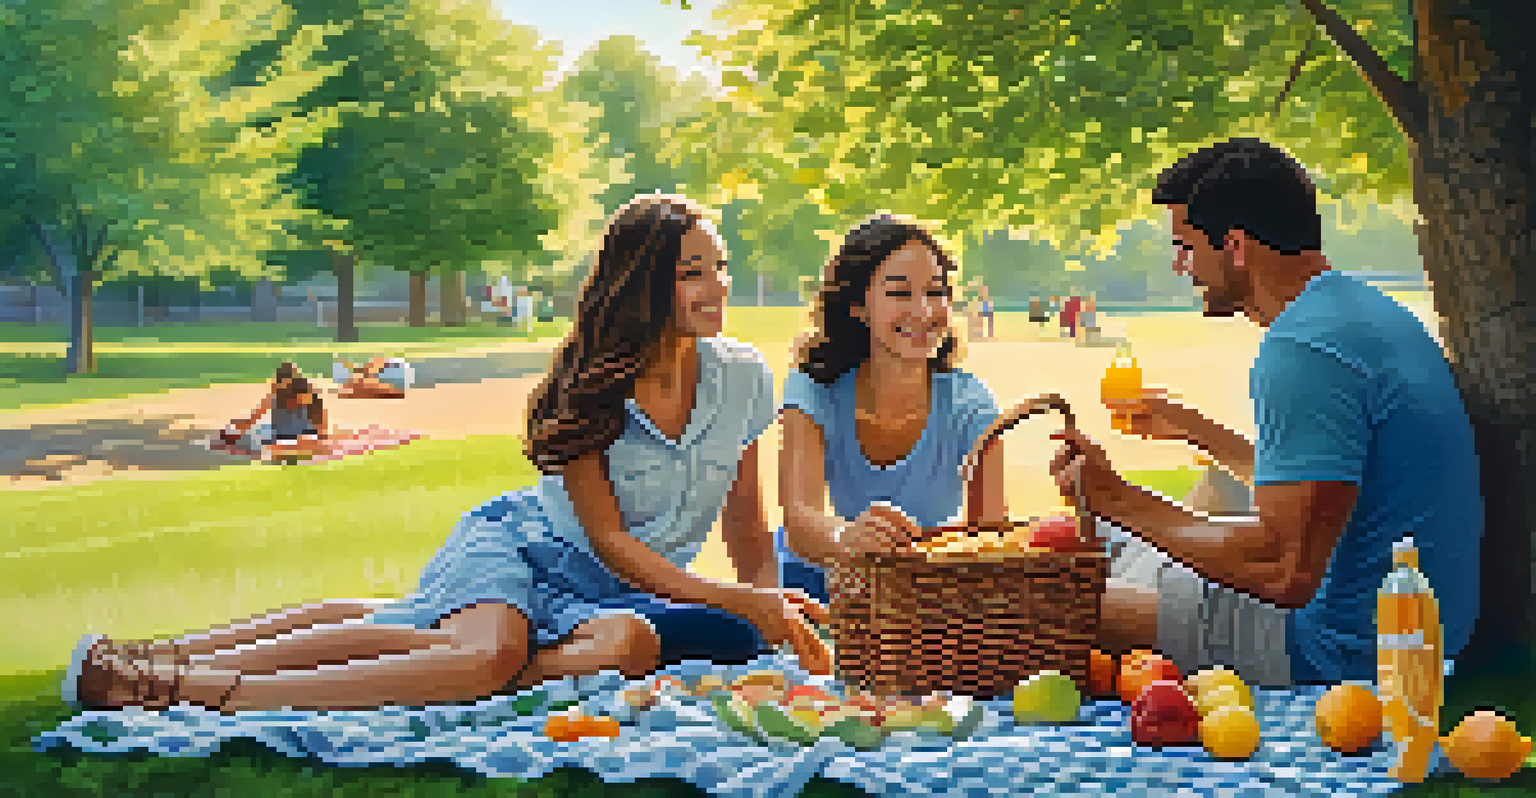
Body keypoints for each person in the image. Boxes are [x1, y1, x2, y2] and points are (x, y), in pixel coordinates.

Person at [63, 195, 832, 713]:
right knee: (486, 653)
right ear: (640, 284)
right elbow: (611, 542)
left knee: (486, 635)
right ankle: (187, 686)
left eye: (719, 267)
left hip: (610, 600)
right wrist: (737, 602)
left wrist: (771, 618)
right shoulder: (586, 388)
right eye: (692, 272)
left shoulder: (741, 377)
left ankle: (165, 657)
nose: (717, 286)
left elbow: (744, 528)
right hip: (528, 550)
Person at [1048, 138, 1482, 686]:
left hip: (1342, 646)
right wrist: (1193, 429)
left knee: (1045, 611)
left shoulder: (1303, 350)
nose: (1180, 266)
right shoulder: (1359, 313)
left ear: (1235, 246)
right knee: (1108, 546)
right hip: (1415, 626)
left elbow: (1284, 568)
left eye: (1185, 246)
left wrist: (1113, 497)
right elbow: (1317, 498)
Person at [776, 214, 1010, 604]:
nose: (923, 311)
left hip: (926, 586)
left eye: (935, 292)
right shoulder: (814, 389)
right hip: (824, 578)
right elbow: (800, 521)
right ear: (858, 307)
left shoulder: (973, 406)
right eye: (900, 294)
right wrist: (844, 537)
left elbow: (991, 538)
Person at [221, 363, 328, 459]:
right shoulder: (277, 397)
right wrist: (238, 427)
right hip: (286, 436)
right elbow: (254, 417)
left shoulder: (302, 395)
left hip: (296, 436)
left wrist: (321, 433)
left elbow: (318, 411)